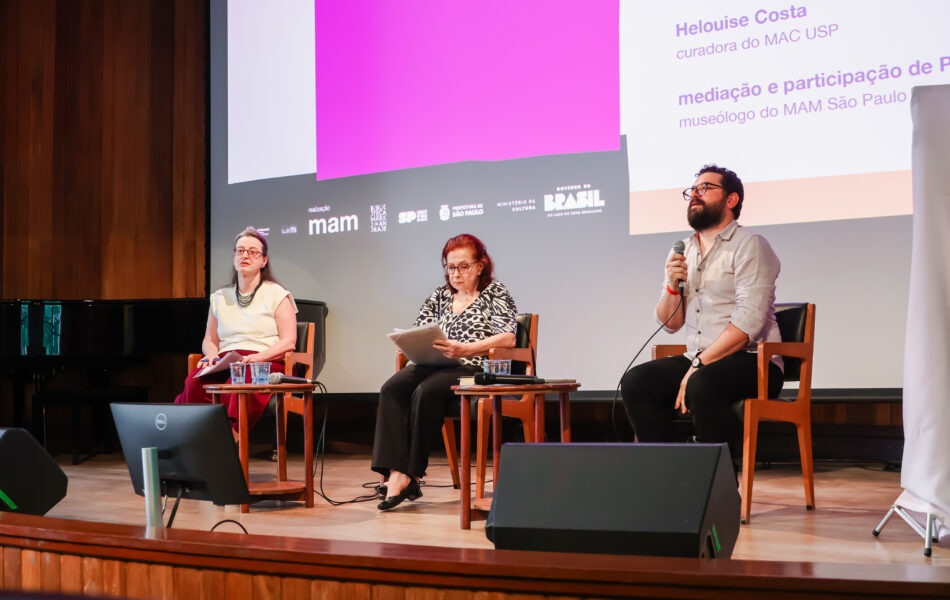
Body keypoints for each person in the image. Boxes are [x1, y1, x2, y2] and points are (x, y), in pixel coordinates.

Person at [620, 164, 783, 466]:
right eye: (692, 190)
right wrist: (671, 286)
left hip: (753, 361)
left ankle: (719, 488)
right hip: (700, 359)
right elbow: (670, 324)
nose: (694, 194)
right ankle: (673, 476)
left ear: (731, 199)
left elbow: (749, 322)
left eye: (705, 188)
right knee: (636, 382)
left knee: (702, 384)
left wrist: (698, 364)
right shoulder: (682, 251)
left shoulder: (751, 246)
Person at [372, 233, 518, 511]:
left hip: (474, 365)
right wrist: (410, 343)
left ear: (480, 265)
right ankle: (393, 472)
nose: (456, 274)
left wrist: (466, 349)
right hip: (435, 363)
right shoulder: (440, 295)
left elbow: (507, 337)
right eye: (450, 267)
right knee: (392, 388)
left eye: (463, 266)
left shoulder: (495, 292)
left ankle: (411, 474)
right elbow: (421, 328)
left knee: (427, 391)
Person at [175, 227, 298, 431]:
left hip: (264, 362)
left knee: (237, 382)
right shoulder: (220, 297)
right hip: (226, 361)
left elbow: (289, 341)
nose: (245, 255)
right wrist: (213, 355)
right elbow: (210, 339)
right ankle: (195, 435)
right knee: (194, 382)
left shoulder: (277, 294)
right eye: (240, 251)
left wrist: (258, 358)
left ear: (263, 261)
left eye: (253, 252)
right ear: (234, 257)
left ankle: (227, 439)